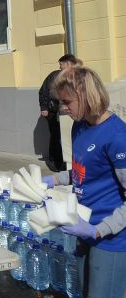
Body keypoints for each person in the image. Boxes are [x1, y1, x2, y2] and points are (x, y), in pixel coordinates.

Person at [41, 67, 126, 298]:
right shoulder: (79, 126)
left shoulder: (118, 137)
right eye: (61, 102)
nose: (63, 108)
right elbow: (84, 172)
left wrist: (97, 231)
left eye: (67, 102)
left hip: (110, 238)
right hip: (84, 230)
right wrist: (54, 180)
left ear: (86, 96)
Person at [39, 54, 79, 171]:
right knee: (56, 137)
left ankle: (71, 164)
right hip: (53, 112)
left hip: (71, 113)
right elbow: (43, 91)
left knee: (71, 137)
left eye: (61, 64)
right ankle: (56, 163)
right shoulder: (54, 75)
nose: (60, 67)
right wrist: (44, 108)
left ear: (67, 63)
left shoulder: (77, 76)